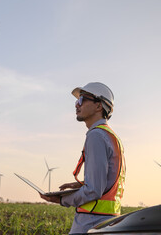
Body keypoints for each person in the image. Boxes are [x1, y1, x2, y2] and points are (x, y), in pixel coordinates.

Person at [40, 82, 126, 234]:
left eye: (82, 100)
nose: (76, 105)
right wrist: (81, 184)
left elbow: (94, 191)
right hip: (108, 221)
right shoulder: (111, 136)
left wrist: (61, 199)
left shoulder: (96, 136)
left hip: (90, 222)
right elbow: (107, 182)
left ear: (99, 106)